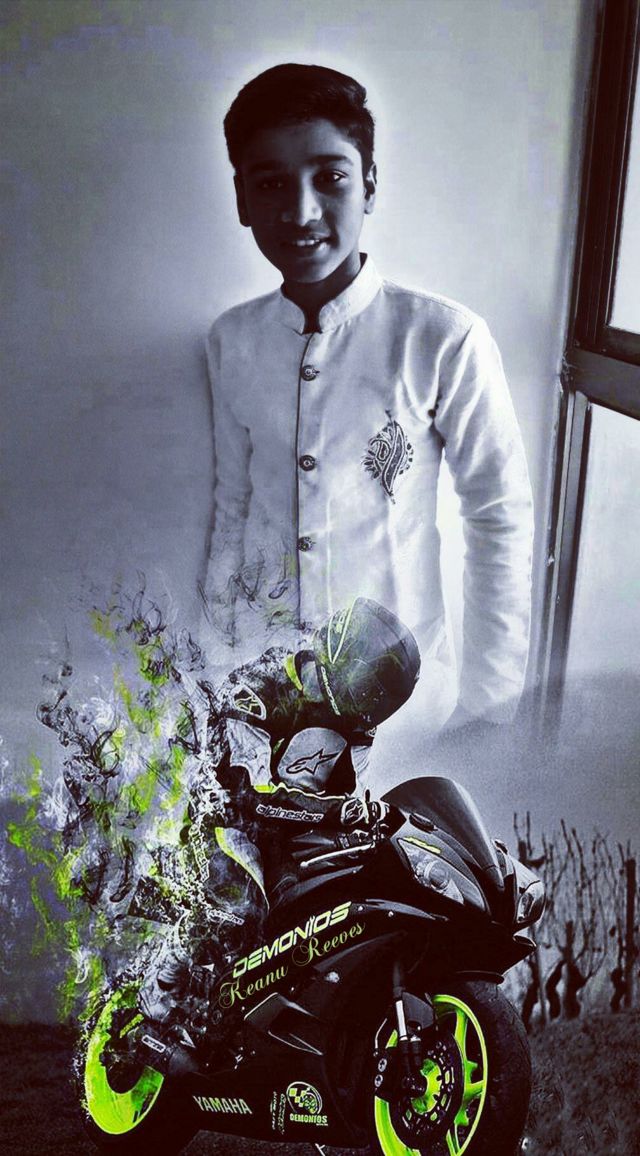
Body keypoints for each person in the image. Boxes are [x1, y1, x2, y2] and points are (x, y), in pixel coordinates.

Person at [202, 63, 534, 736]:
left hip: (408, 710)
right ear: (241, 200)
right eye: (270, 183)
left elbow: (498, 517)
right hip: (262, 701)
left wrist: (489, 709)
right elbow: (233, 508)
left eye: (330, 176)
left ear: (370, 185)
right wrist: (213, 670)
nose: (301, 211)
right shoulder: (233, 340)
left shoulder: (443, 337)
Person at [139, 597, 420, 1028]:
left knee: (336, 901)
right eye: (368, 688)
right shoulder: (260, 687)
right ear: (344, 654)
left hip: (293, 834)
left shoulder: (360, 726)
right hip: (226, 819)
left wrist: (361, 823)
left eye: (383, 700)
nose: (371, 706)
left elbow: (344, 797)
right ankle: (165, 976)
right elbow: (250, 795)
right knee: (244, 908)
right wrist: (338, 814)